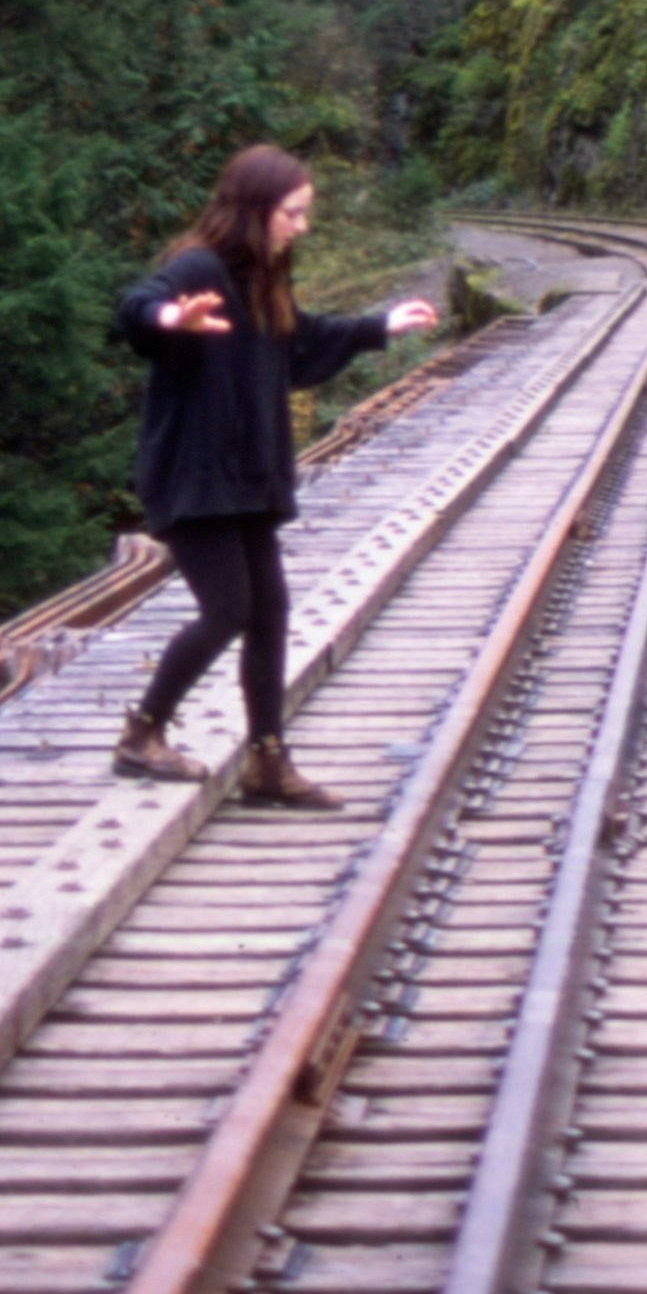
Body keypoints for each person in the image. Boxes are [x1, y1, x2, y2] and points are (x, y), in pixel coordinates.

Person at [109, 144, 438, 804]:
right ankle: (141, 734)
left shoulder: (266, 278)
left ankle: (266, 759)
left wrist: (379, 326)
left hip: (247, 475)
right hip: (193, 476)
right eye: (293, 213)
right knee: (228, 609)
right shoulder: (199, 267)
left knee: (269, 612)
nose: (302, 226)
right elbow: (137, 305)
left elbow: (300, 345)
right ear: (255, 208)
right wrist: (172, 317)